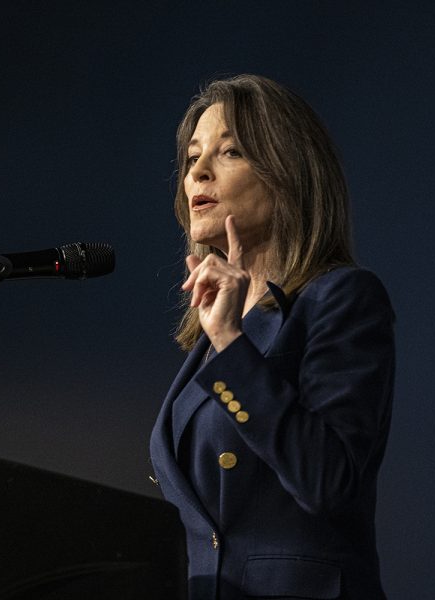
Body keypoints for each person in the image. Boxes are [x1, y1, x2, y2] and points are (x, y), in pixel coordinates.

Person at [149, 74, 394, 599]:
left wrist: (232, 344)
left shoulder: (342, 299)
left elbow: (327, 481)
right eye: (192, 156)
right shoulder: (214, 332)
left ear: (288, 175)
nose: (198, 172)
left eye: (230, 151)